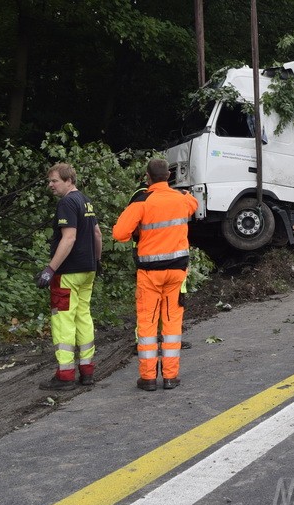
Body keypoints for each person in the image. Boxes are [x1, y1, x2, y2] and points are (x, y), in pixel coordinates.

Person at [112, 159, 198, 391]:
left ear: (147, 178)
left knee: (148, 324)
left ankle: (148, 378)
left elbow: (119, 233)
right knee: (171, 323)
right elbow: (193, 204)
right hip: (176, 272)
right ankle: (171, 376)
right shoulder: (182, 200)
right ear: (169, 176)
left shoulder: (142, 202)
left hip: (150, 274)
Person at [37, 163, 103, 391]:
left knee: (64, 319)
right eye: (50, 181)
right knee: (83, 316)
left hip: (68, 272)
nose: (50, 185)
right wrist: (97, 260)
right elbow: (96, 233)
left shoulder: (66, 203)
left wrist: (50, 269)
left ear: (68, 180)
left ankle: (65, 374)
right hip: (88, 270)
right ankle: (87, 369)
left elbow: (69, 238)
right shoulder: (85, 200)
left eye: (54, 181)